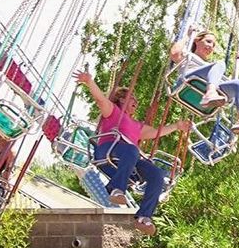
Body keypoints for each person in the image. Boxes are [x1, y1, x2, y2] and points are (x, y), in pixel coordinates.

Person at [74, 70, 192, 235]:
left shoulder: (137, 126)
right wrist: (89, 82)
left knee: (157, 174)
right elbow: (100, 99)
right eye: (132, 98)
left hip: (128, 159)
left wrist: (176, 126)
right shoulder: (114, 112)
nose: (136, 101)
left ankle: (144, 217)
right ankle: (116, 188)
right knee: (131, 149)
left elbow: (156, 132)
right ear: (122, 100)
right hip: (108, 151)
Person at [169, 27, 239, 133]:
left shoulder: (213, 70)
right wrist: (187, 35)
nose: (211, 46)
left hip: (207, 87)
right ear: (197, 40)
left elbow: (227, 83)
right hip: (187, 82)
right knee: (220, 64)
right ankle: (210, 93)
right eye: (208, 41)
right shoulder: (188, 55)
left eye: (213, 45)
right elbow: (174, 54)